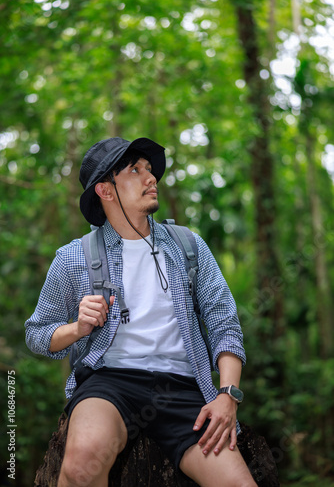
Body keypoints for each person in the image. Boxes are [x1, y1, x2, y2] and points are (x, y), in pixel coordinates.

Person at [25, 136, 256, 487]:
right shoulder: (73, 258)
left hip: (184, 388)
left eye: (150, 170)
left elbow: (224, 323)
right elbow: (37, 333)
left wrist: (228, 395)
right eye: (136, 170)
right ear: (105, 190)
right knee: (81, 466)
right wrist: (77, 328)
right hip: (110, 383)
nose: (152, 178)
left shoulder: (188, 246)